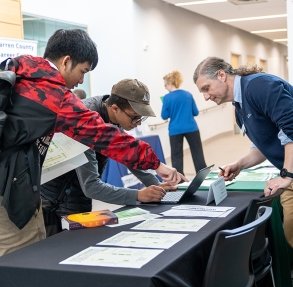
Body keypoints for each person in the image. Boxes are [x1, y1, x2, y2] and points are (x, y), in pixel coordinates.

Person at [0, 29, 185, 256]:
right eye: (83, 71)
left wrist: (154, 176)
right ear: (66, 61)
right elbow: (104, 137)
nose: (81, 80)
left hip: (21, 184)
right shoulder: (52, 95)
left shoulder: (19, 69)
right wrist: (158, 165)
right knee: (22, 259)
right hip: (12, 190)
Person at [42, 79, 174, 236]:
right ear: (115, 108)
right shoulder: (85, 123)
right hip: (57, 200)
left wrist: (157, 186)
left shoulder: (112, 113)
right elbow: (91, 186)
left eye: (142, 118)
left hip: (76, 193)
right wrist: (138, 195)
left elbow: (126, 152)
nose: (138, 124)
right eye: (134, 118)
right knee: (63, 249)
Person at [193, 56, 293, 248]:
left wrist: (287, 175)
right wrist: (239, 164)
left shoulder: (258, 86)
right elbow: (261, 147)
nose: (205, 97)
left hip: (290, 172)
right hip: (289, 173)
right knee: (290, 231)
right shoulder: (238, 107)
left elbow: (291, 128)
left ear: (221, 75)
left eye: (206, 88)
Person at [161, 70, 207, 175]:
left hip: (175, 130)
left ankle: (179, 180)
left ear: (169, 84)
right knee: (197, 153)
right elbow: (195, 112)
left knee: (176, 157)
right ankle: (203, 177)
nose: (165, 87)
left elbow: (164, 116)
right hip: (192, 128)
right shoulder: (188, 95)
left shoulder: (167, 98)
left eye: (165, 85)